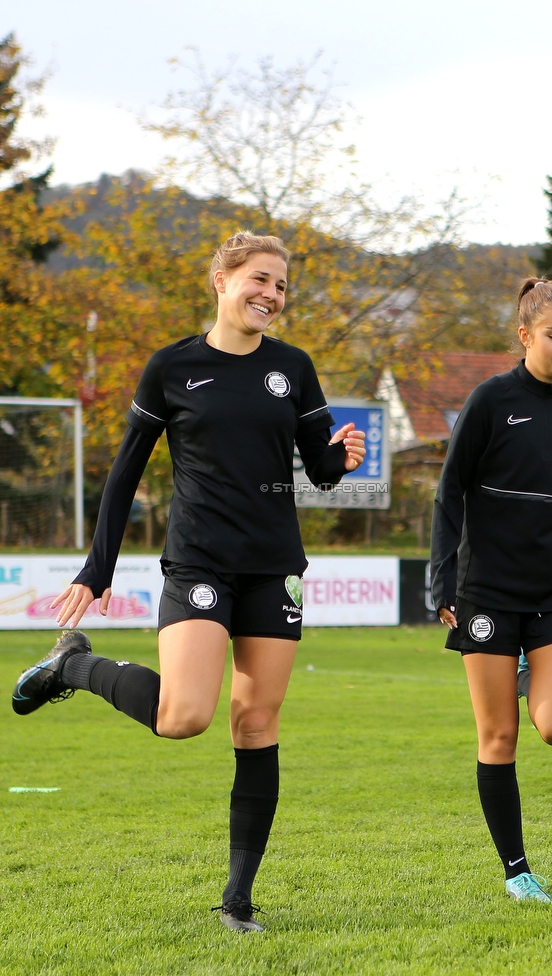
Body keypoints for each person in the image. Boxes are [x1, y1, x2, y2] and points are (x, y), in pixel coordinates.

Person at [12, 232, 366, 932]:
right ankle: (75, 665)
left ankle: (238, 901)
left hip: (274, 567)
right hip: (200, 561)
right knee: (184, 718)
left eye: (282, 286)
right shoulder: (172, 367)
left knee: (256, 722)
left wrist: (341, 458)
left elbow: (319, 471)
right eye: (260, 279)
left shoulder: (293, 367)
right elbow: (124, 475)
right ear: (222, 280)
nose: (271, 294)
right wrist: (97, 568)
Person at [430, 277, 552, 903]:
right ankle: (517, 870)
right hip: (486, 593)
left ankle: (541, 668)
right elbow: (449, 491)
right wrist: (441, 578)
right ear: (525, 333)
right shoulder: (489, 401)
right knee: (499, 736)